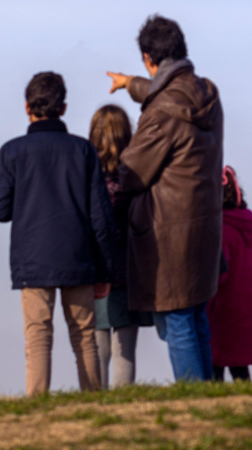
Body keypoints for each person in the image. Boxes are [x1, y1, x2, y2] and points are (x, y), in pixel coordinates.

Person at [106, 15, 223, 381]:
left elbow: (132, 172)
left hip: (169, 231)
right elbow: (167, 94)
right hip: (205, 225)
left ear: (148, 59)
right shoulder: (207, 94)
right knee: (196, 315)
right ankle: (208, 398)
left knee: (177, 322)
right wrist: (131, 84)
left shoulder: (160, 115)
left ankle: (193, 403)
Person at [0, 71, 115, 395]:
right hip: (79, 256)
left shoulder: (11, 152)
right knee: (85, 335)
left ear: (27, 107)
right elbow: (101, 216)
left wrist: (28, 202)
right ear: (65, 108)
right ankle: (93, 400)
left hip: (33, 257)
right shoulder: (83, 151)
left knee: (38, 334)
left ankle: (37, 404)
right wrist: (106, 268)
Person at [88, 105, 154, 389]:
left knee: (98, 347)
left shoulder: (86, 176)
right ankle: (124, 405)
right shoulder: (137, 175)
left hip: (96, 267)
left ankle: (98, 407)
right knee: (125, 347)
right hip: (131, 268)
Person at [208, 166, 252, 381]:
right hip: (245, 302)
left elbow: (220, 272)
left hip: (223, 305)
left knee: (215, 360)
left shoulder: (221, 228)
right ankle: (246, 396)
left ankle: (213, 400)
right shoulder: (242, 225)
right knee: (239, 363)